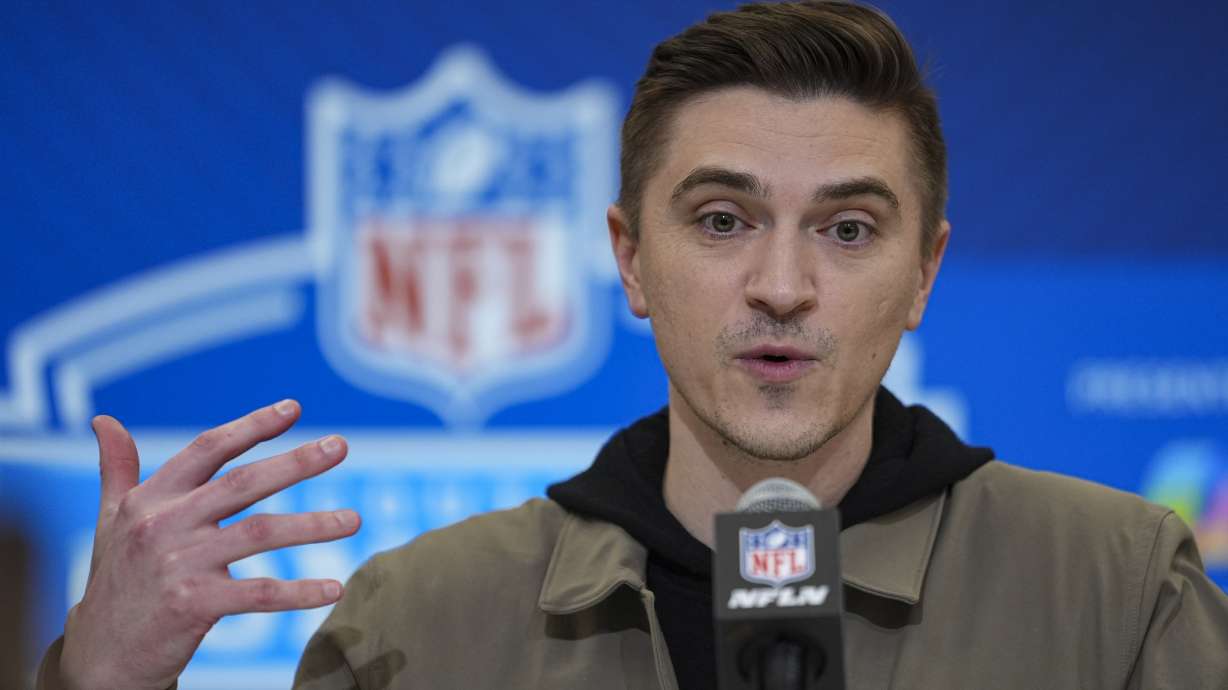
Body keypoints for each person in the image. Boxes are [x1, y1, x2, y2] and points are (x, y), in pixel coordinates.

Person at [38, 2, 1228, 689]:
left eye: (849, 229)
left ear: (922, 272)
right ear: (628, 258)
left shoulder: (1115, 588)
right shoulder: (422, 621)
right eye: (721, 221)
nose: (780, 286)